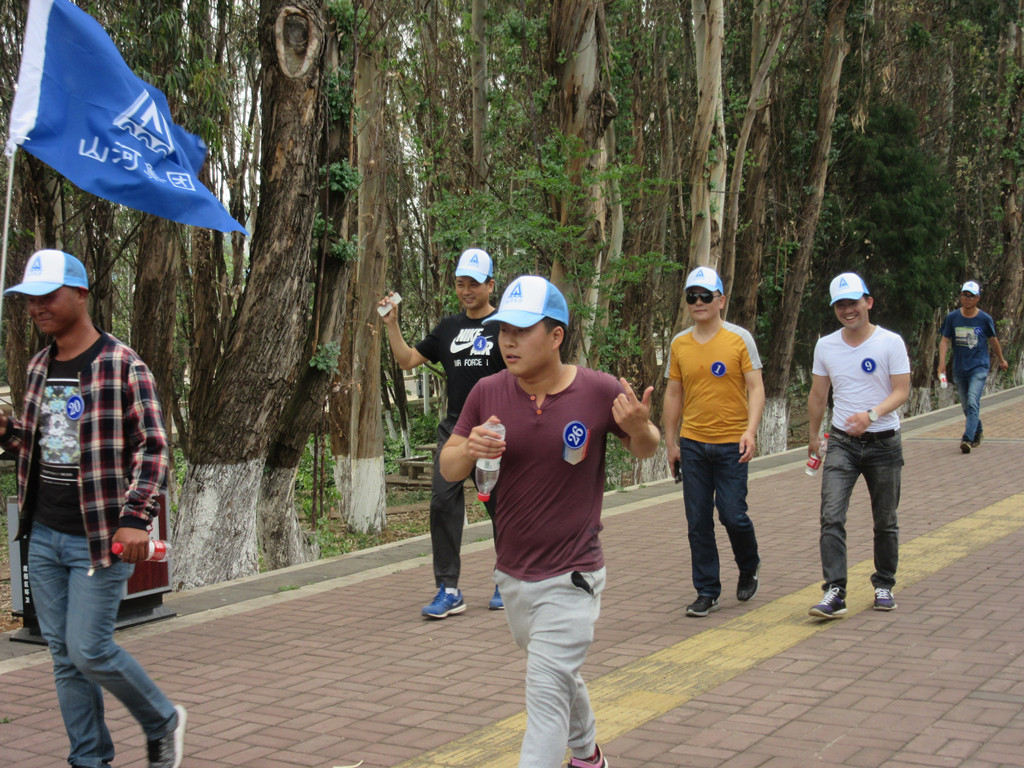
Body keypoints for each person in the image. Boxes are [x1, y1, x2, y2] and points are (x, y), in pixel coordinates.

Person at [439, 275, 660, 768]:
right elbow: (449, 467)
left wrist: (641, 427)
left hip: (573, 575)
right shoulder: (486, 392)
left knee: (544, 692)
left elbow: (646, 448)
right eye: (504, 331)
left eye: (522, 330)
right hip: (513, 576)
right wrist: (469, 448)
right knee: (558, 674)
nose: (509, 341)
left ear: (556, 335)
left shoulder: (599, 389)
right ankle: (589, 756)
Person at [0, 249, 185, 768]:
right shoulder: (38, 367)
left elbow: (154, 446)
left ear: (80, 294)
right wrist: (6, 431)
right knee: (64, 657)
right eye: (29, 298)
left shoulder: (123, 364)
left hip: (99, 537)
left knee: (89, 649)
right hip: (42, 534)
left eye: (48, 295)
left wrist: (136, 518)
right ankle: (89, 758)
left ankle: (162, 720)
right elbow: (38, 444)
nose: (37, 307)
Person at [379, 247, 506, 618]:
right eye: (460, 283)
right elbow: (408, 360)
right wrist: (392, 325)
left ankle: (508, 579)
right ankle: (448, 588)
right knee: (442, 503)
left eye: (474, 284)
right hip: (456, 429)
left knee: (504, 507)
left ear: (490, 285)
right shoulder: (448, 328)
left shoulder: (506, 326)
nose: (466, 291)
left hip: (496, 430)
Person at [662, 266, 765, 618]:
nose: (699, 302)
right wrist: (671, 443)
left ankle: (749, 564)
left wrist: (750, 431)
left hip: (732, 444)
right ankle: (707, 591)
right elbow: (673, 394)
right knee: (698, 521)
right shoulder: (679, 343)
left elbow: (756, 388)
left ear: (721, 300)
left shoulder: (739, 339)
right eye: (692, 296)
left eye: (706, 296)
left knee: (733, 516)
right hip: (693, 444)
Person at [807, 272, 910, 619]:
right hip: (842, 444)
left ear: (868, 302)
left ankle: (884, 584)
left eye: (853, 302)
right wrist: (813, 435)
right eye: (840, 305)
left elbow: (901, 391)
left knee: (885, 520)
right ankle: (835, 591)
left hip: (885, 443)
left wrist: (872, 414)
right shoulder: (826, 346)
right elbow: (818, 394)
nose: (847, 310)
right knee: (831, 516)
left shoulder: (890, 343)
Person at [938, 280, 1010, 454]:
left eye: (971, 296)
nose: (967, 298)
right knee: (966, 406)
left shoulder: (984, 319)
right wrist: (941, 364)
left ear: (978, 298)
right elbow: (944, 341)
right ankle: (978, 431)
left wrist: (1001, 360)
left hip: (979, 367)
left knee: (972, 401)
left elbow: (993, 340)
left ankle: (967, 439)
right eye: (965, 295)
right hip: (960, 368)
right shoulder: (952, 318)